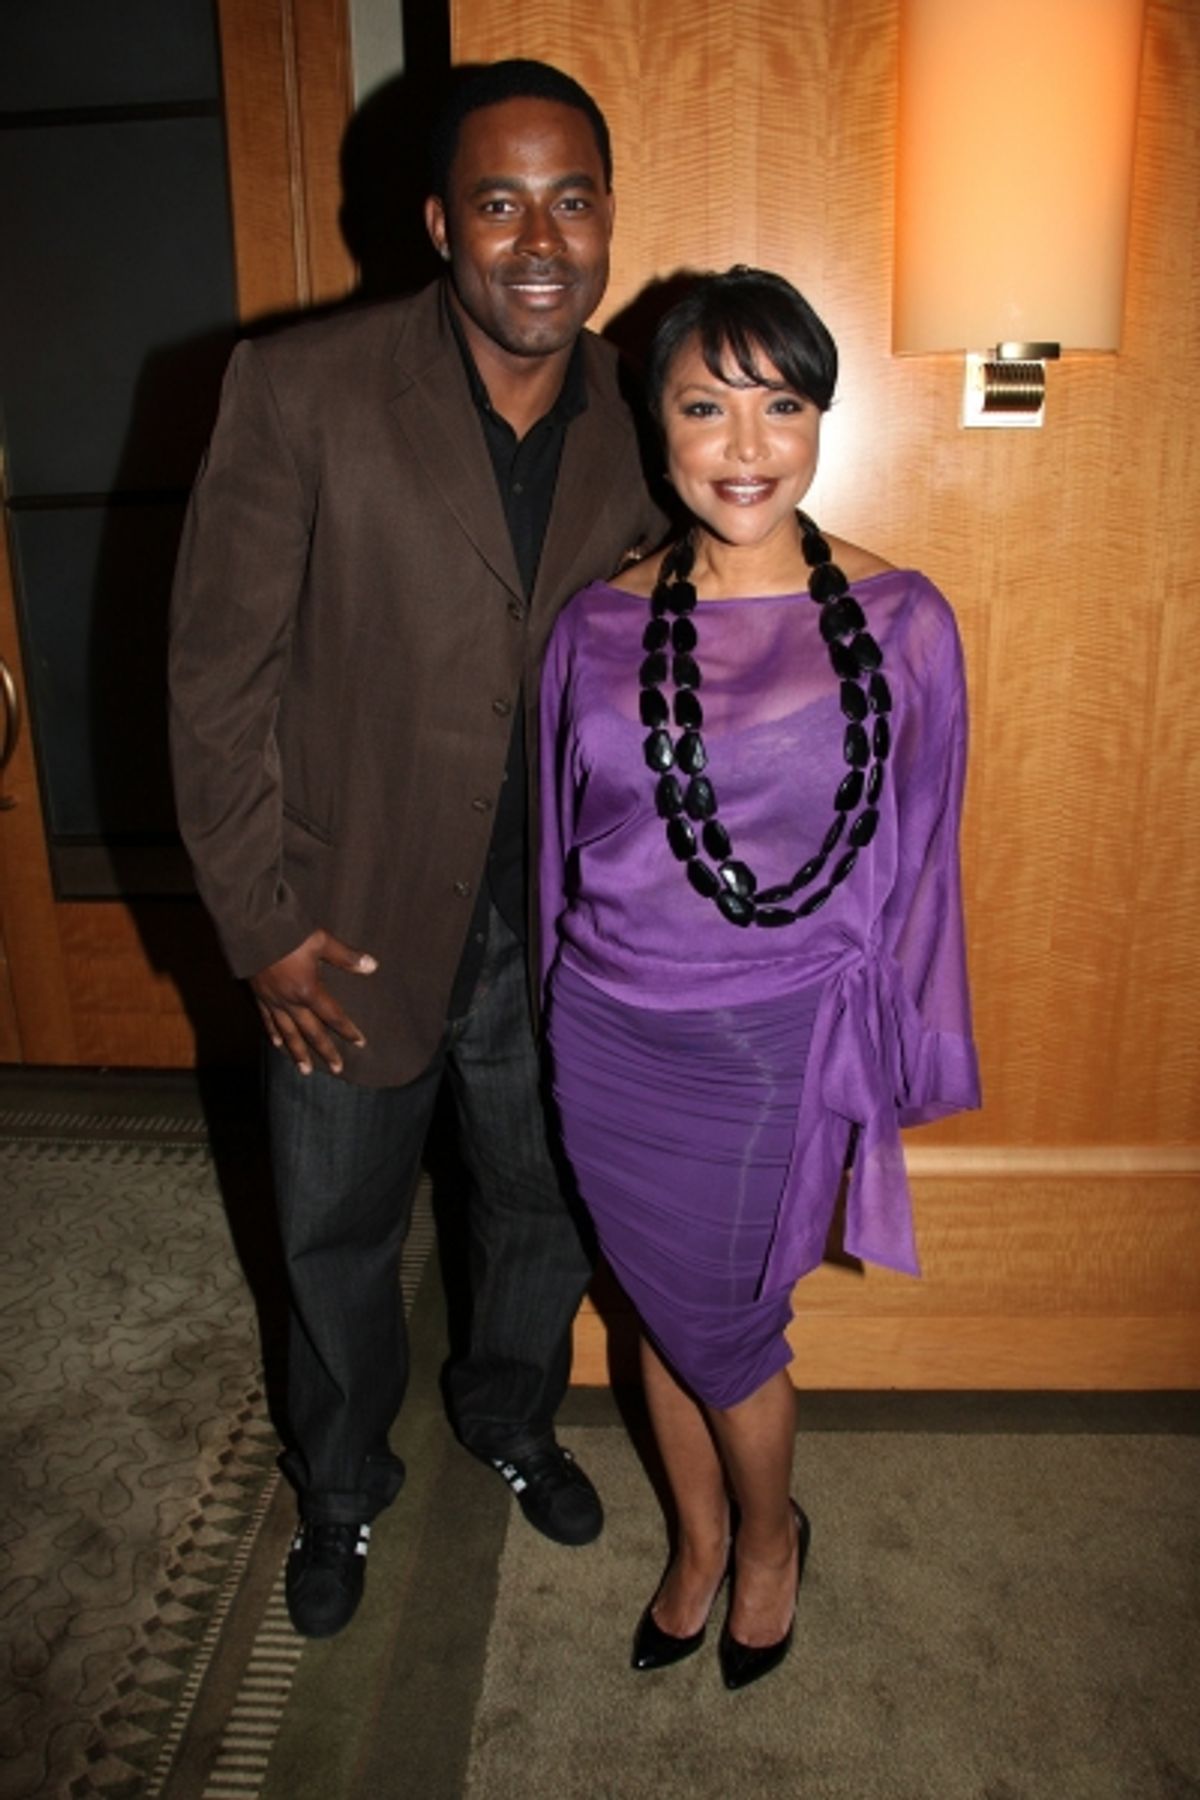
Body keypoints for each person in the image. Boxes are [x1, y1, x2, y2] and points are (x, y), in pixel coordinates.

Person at [169, 59, 665, 1640]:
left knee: (544, 1202)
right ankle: (338, 1483)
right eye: (501, 201)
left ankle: (509, 1410)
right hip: (348, 914)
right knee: (335, 1231)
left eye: (571, 201)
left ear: (608, 218)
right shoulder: (300, 389)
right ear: (442, 222)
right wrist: (259, 926)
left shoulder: (644, 409)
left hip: (556, 921)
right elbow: (215, 681)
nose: (541, 239)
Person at [539, 267, 980, 1689]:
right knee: (651, 1302)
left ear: (820, 421)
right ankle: (699, 1540)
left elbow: (924, 861)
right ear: (655, 427)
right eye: (704, 407)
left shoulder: (904, 623)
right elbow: (557, 855)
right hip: (607, 1033)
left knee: (722, 1327)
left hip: (771, 1043)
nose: (745, 445)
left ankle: (771, 1540)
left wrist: (894, 1044)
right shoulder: (596, 627)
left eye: (780, 404)